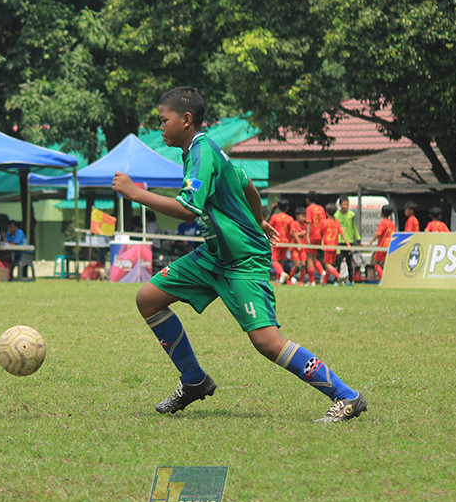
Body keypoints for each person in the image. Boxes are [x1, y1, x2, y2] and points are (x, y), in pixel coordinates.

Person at [110, 86, 366, 423]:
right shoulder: (203, 151)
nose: (160, 127)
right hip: (214, 255)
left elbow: (188, 210)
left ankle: (346, 395)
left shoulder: (202, 152)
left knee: (267, 342)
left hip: (242, 260)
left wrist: (135, 193)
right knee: (148, 298)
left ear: (186, 120)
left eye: (163, 120)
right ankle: (194, 380)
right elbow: (247, 186)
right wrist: (257, 219)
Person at [268, 198, 295, 284]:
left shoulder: (274, 217)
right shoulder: (290, 219)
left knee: (275, 261)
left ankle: (282, 274)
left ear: (278, 207)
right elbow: (292, 232)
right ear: (287, 208)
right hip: (285, 242)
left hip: (276, 242)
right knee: (280, 261)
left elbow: (269, 228)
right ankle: (278, 280)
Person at [334, 197, 360, 283]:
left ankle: (351, 281)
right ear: (340, 205)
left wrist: (358, 239)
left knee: (349, 261)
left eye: (347, 204)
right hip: (339, 241)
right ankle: (337, 280)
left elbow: (354, 228)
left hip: (349, 241)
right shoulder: (336, 215)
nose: (346, 206)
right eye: (344, 204)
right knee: (338, 261)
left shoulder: (351, 215)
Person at [304, 192, 327, 286]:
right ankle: (322, 272)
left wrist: (308, 236)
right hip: (320, 235)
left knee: (309, 257)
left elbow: (309, 222)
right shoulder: (321, 208)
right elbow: (324, 223)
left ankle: (311, 281)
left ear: (308, 199)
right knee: (313, 257)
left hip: (312, 235)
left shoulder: (309, 209)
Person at [319, 203, 345, 285]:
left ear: (326, 212)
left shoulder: (324, 222)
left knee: (327, 265)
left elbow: (321, 233)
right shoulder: (337, 222)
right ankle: (324, 282)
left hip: (327, 246)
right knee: (330, 265)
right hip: (334, 246)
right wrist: (348, 244)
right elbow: (342, 234)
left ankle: (339, 276)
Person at [369, 205, 396, 280]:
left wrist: (371, 242)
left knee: (375, 262)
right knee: (385, 262)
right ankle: (386, 276)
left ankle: (382, 276)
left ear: (382, 213)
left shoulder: (383, 222)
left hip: (383, 245)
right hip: (390, 244)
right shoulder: (392, 223)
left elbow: (378, 233)